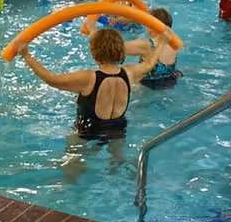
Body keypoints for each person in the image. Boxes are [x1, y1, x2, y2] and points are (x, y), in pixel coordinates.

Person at [16, 29, 168, 181]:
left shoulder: (89, 78)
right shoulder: (129, 73)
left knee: (72, 161)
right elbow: (150, 63)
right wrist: (162, 42)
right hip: (117, 128)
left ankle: (72, 187)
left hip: (88, 130)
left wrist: (27, 56)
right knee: (118, 159)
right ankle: (125, 173)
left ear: (95, 52)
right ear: (120, 51)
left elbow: (51, 79)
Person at [110, 8, 183, 90]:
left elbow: (111, 48)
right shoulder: (173, 44)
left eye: (147, 23)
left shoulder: (147, 45)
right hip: (170, 83)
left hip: (147, 88)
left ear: (152, 25)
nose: (145, 26)